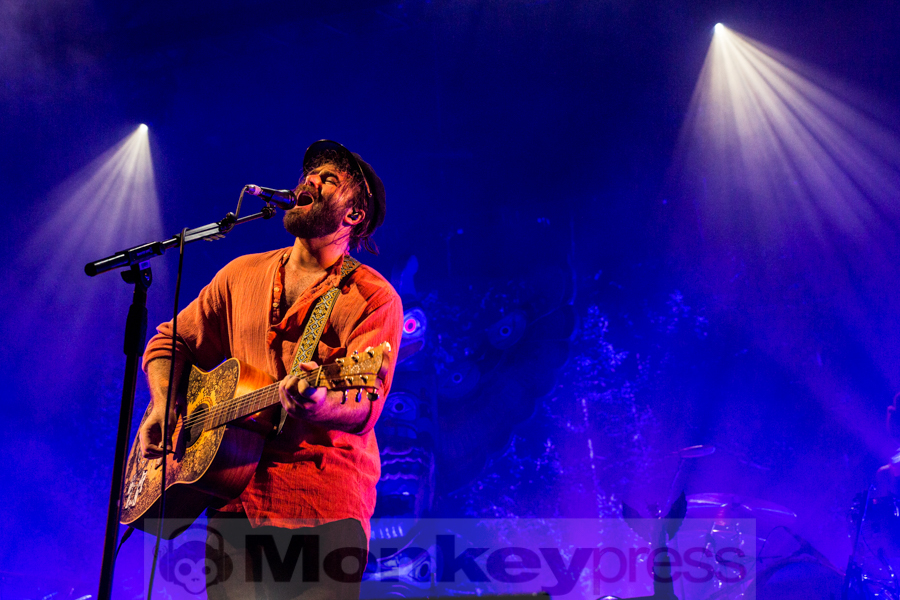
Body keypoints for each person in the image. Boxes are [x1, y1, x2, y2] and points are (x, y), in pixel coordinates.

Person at [138, 140, 403, 599]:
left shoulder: (372, 297)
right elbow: (170, 341)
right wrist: (164, 403)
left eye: (329, 179)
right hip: (233, 504)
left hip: (321, 508)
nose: (310, 181)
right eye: (310, 173)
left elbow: (367, 402)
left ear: (354, 215)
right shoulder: (240, 274)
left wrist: (319, 402)